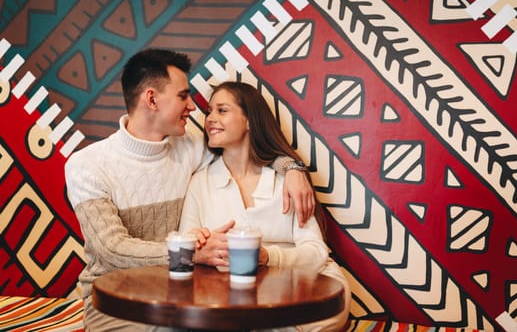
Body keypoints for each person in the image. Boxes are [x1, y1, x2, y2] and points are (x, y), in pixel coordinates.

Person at [64, 49, 315, 331]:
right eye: (183, 96)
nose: (193, 107)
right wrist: (189, 255)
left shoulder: (190, 147)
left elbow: (246, 147)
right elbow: (112, 249)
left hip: (178, 298)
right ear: (151, 99)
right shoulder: (87, 165)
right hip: (114, 302)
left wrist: (292, 168)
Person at [179, 81, 351, 331]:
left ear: (249, 121)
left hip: (305, 285)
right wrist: (198, 246)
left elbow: (316, 252)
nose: (210, 119)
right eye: (209, 112)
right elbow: (186, 245)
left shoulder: (287, 181)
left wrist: (268, 257)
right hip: (236, 294)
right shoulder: (200, 183)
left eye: (222, 110)